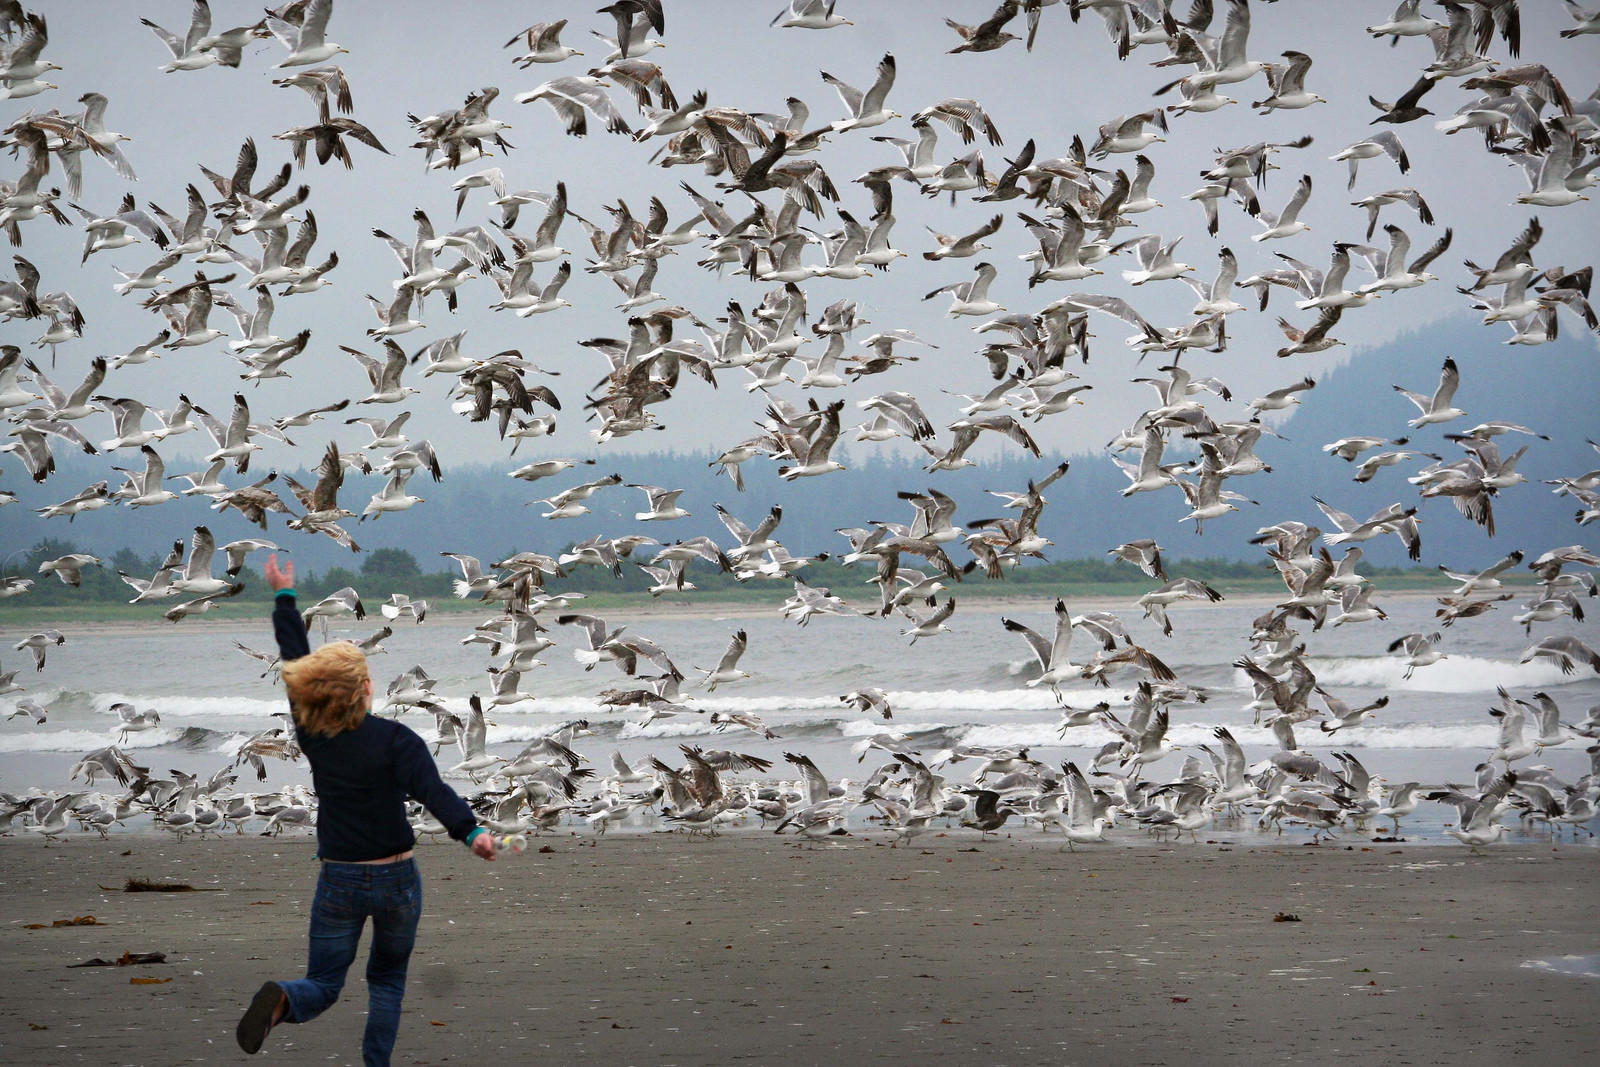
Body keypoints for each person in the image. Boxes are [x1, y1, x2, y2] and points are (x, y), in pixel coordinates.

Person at [237, 553, 496, 1066]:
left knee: (324, 983)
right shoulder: (397, 739)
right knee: (388, 980)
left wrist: (285, 596)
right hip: (397, 878)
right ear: (364, 689)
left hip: (340, 879)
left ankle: (285, 1000)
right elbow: (434, 791)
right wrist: (471, 834)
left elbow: (293, 661)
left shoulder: (313, 734)